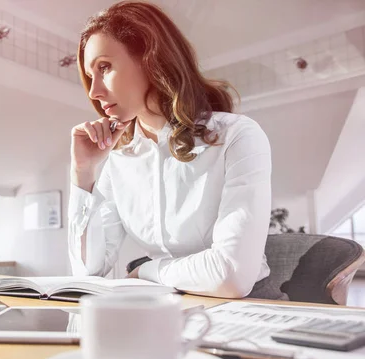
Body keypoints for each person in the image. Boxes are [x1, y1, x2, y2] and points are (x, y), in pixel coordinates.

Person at [67, 1, 272, 299]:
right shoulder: (119, 161)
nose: (94, 92)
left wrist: (148, 270)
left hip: (247, 306)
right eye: (91, 75)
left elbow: (232, 277)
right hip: (162, 304)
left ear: (150, 58)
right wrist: (82, 173)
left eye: (105, 67)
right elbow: (87, 274)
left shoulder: (237, 136)